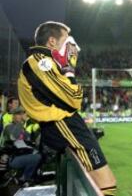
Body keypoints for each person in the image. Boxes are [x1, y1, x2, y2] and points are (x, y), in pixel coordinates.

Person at [17, 21, 116, 195]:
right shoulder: (40, 62)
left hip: (63, 122)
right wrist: (69, 70)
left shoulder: (47, 62)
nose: (72, 46)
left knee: (94, 183)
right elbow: (74, 100)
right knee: (105, 183)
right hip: (61, 123)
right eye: (67, 40)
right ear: (52, 41)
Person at [2, 106, 41, 185]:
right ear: (13, 116)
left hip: (18, 156)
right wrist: (22, 122)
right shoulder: (8, 127)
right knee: (36, 157)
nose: (22, 116)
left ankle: (29, 177)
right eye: (19, 114)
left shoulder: (23, 128)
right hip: (11, 159)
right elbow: (14, 138)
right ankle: (24, 179)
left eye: (23, 113)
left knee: (39, 154)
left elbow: (30, 141)